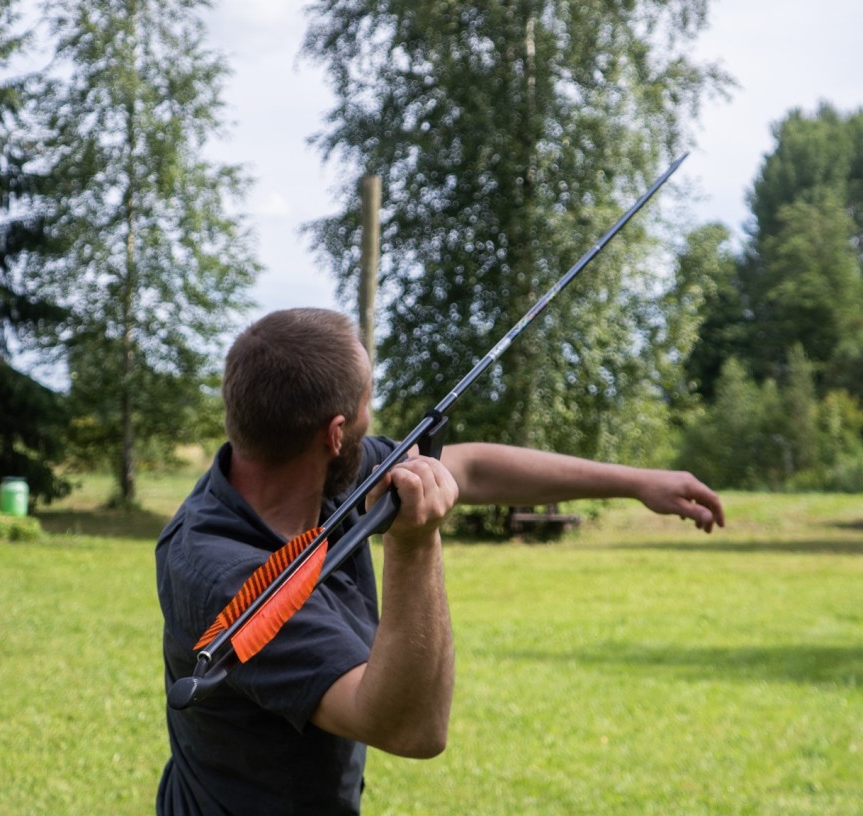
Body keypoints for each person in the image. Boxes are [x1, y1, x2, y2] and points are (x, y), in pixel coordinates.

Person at [155, 308, 723, 815]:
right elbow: (409, 727)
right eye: (366, 402)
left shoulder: (320, 476)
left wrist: (638, 482)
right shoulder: (227, 578)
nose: (370, 420)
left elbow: (470, 468)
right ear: (334, 433)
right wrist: (415, 542)